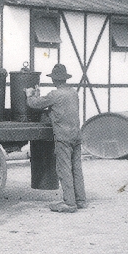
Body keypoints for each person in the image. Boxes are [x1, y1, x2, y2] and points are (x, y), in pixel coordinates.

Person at [27, 63, 86, 212]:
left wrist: (30, 94)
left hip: (63, 137)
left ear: (54, 80)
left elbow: (34, 104)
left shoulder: (55, 94)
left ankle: (69, 203)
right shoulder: (73, 93)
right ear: (65, 79)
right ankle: (80, 200)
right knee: (76, 168)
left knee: (64, 169)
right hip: (76, 135)